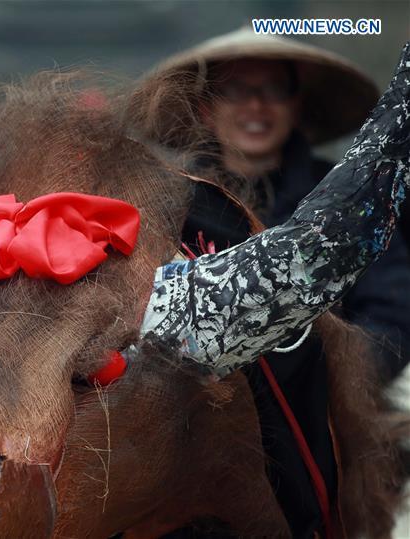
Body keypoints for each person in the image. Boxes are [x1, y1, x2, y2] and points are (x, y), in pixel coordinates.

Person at [145, 28, 410, 538]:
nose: (256, 107)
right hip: (197, 427)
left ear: (297, 106)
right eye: (237, 90)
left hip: (336, 421)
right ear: (205, 108)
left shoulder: (359, 202)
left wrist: (332, 377)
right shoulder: (167, 206)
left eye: (274, 90)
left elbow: (394, 310)